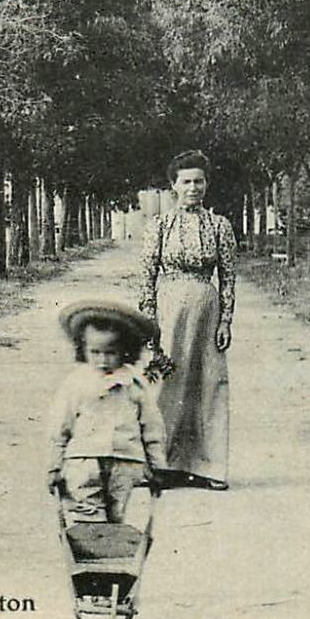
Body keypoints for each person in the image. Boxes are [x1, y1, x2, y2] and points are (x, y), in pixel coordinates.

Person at [138, 150, 236, 491]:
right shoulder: (160, 227)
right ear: (173, 186)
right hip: (169, 312)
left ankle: (208, 467)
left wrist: (226, 321)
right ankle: (160, 467)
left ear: (206, 185)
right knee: (165, 384)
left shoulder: (219, 226)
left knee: (209, 385)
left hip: (206, 313)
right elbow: (146, 277)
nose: (193, 188)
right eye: (186, 182)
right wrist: (148, 322)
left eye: (199, 181)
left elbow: (227, 277)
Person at [47, 298, 167, 523]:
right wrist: (54, 466)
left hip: (125, 460)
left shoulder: (134, 384)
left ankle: (113, 553)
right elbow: (60, 426)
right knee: (87, 512)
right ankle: (88, 550)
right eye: (95, 352)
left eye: (110, 352)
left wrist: (158, 466)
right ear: (83, 350)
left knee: (117, 515)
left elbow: (152, 427)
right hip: (84, 460)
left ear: (125, 351)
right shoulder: (77, 383)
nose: (102, 360)